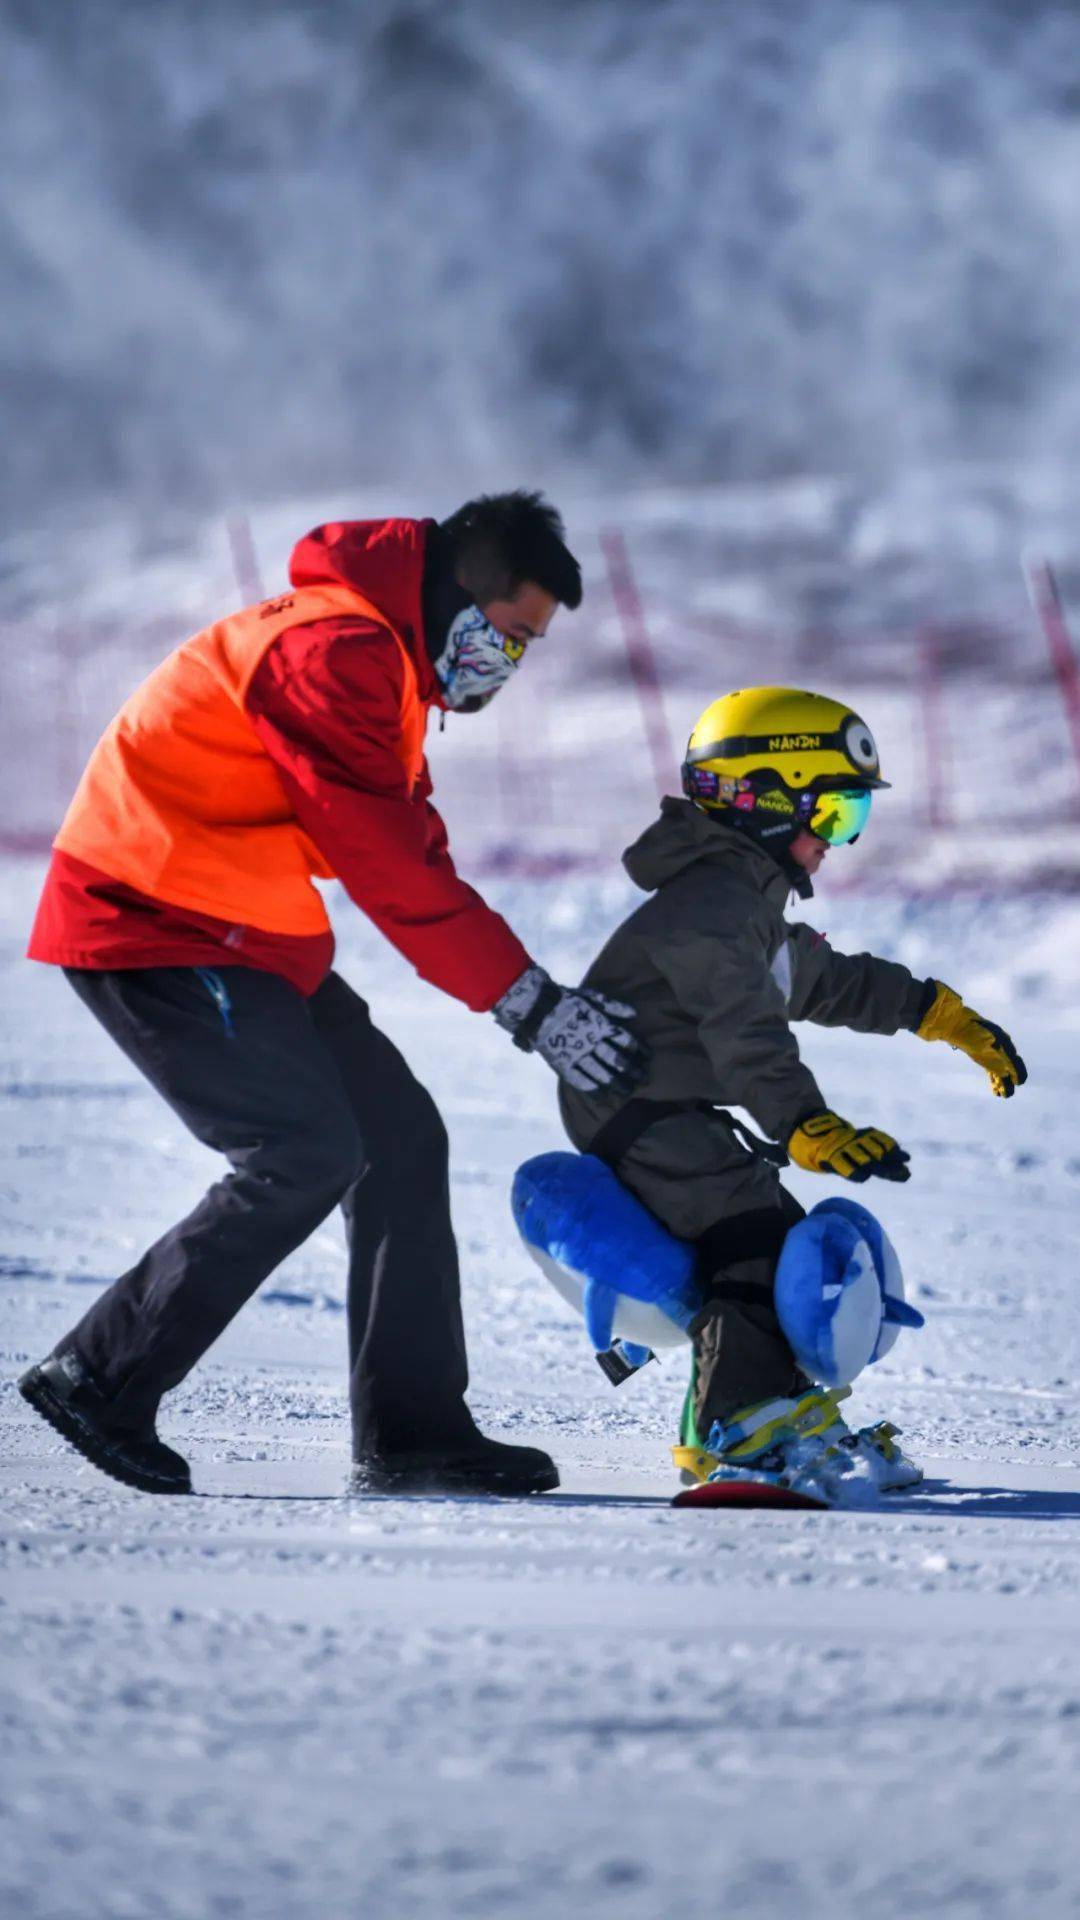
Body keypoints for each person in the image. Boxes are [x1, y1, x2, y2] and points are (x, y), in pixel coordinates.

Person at [19, 492, 647, 1498]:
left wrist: (525, 991)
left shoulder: (379, 659)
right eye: (510, 633)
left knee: (398, 1136)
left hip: (240, 929)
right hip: (153, 921)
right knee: (302, 1152)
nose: (510, 662)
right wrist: (526, 1003)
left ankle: (413, 1434)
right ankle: (99, 1374)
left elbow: (411, 842)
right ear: (455, 595)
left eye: (530, 646)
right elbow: (386, 864)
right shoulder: (335, 653)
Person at [557, 685, 1027, 1488]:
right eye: (836, 815)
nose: (836, 843)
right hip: (637, 1109)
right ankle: (736, 1430)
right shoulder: (711, 909)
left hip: (671, 1108)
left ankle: (778, 1406)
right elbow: (745, 1031)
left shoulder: (743, 906)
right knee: (754, 1242)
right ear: (770, 803)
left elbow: (825, 980)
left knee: (775, 1239)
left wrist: (936, 1013)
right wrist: (805, 1123)